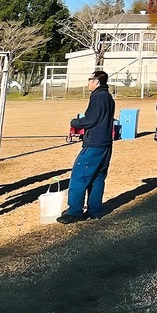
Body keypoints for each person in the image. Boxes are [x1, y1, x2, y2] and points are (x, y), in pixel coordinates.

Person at [60, 71, 116, 223]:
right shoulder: (108, 97)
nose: (88, 82)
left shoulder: (98, 97)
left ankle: (74, 211)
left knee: (79, 176)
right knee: (98, 177)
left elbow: (91, 119)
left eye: (90, 79)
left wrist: (75, 123)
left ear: (97, 81)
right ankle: (95, 210)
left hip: (95, 145)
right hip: (105, 143)